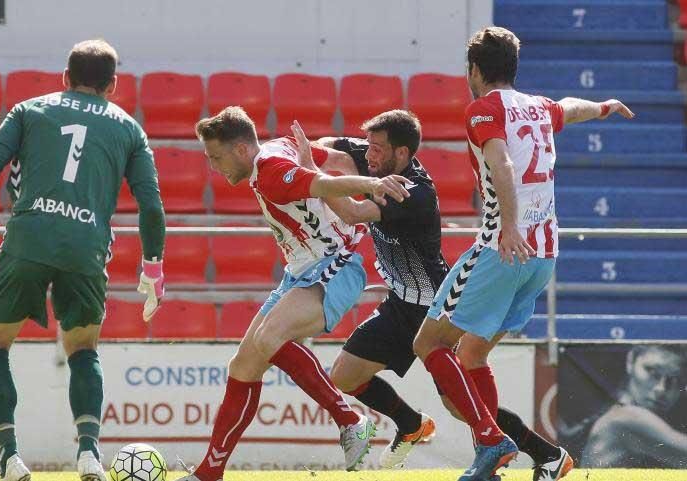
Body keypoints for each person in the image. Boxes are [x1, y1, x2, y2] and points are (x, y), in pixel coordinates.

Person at [410, 26, 634, 481]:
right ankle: (538, 457)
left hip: (500, 248)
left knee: (429, 343)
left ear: (474, 70)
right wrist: (604, 107)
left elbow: (502, 162)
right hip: (544, 256)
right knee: (471, 357)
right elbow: (570, 108)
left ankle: (492, 443)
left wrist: (509, 224)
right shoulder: (538, 108)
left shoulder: (482, 111)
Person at [0, 39, 166, 481]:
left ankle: (10, 458)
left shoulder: (28, 109)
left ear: (65, 77)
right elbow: (151, 205)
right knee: (83, 349)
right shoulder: (129, 128)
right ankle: (89, 454)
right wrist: (152, 267)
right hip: (87, 248)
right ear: (113, 85)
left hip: (27, 241)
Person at [304, 110, 576, 479]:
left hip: (435, 305)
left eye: (378, 149)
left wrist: (311, 177)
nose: (369, 155)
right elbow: (332, 148)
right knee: (345, 376)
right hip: (400, 302)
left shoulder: (410, 192)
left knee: (462, 407)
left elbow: (352, 213)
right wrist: (299, 150)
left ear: (401, 154)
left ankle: (544, 453)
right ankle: (411, 423)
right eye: (368, 146)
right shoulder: (374, 160)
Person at [176, 106, 411, 481]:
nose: (213, 168)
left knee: (270, 337)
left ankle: (350, 419)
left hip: (334, 267)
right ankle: (209, 472)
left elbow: (325, 184)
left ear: (240, 150)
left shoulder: (270, 172)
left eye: (216, 158)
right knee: (243, 367)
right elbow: (334, 159)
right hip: (301, 272)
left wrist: (372, 186)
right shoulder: (279, 148)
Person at [581, 345, 687, 468]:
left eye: (675, 379)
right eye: (652, 372)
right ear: (631, 361)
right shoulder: (625, 419)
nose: (661, 389)